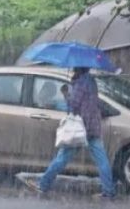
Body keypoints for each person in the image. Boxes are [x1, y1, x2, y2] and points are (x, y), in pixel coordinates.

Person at [28, 67, 116, 198]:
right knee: (102, 160)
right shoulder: (91, 81)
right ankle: (108, 191)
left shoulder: (80, 83)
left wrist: (65, 93)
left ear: (78, 69)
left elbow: (73, 106)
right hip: (93, 125)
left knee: (62, 158)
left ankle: (43, 185)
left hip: (80, 128)